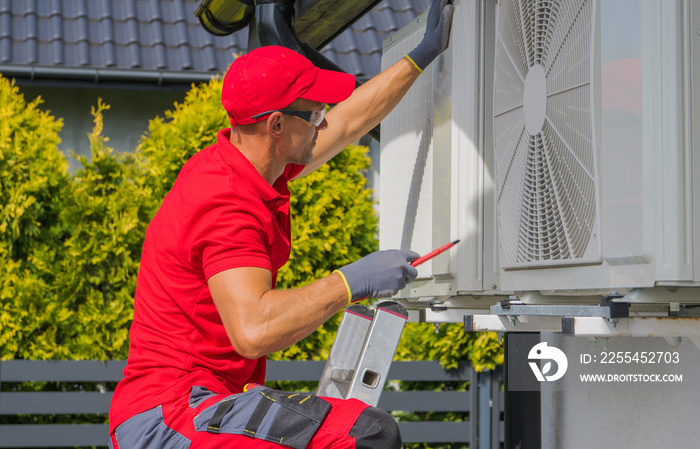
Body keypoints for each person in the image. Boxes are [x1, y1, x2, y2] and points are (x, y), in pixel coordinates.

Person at [108, 1, 454, 447]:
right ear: (275, 124)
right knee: (365, 436)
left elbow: (349, 121)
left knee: (364, 431)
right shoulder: (224, 202)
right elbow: (254, 331)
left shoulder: (250, 166)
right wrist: (353, 280)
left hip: (202, 402)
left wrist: (421, 57)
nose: (323, 120)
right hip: (171, 414)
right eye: (313, 113)